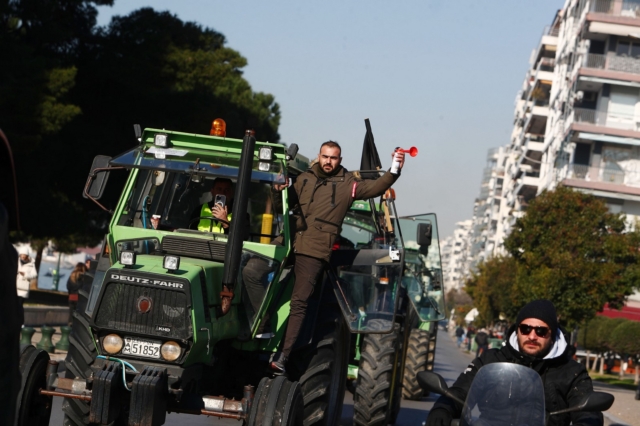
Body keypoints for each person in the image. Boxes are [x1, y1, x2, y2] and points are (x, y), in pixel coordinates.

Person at [267, 140, 405, 374]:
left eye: (333, 158)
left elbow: (376, 187)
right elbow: (285, 202)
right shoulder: (304, 178)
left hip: (315, 249)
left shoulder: (348, 184)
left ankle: (284, 355)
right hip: (289, 240)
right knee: (252, 268)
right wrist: (277, 189)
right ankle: (255, 326)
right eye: (325, 157)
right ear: (319, 156)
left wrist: (394, 169)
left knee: (299, 301)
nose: (328, 161)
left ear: (339, 160)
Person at [426, 299, 603, 426]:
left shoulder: (571, 371)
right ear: (517, 330)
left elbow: (588, 409)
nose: (532, 336)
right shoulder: (491, 359)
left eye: (541, 331)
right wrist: (443, 408)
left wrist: (588, 423)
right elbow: (460, 391)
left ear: (553, 334)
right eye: (525, 329)